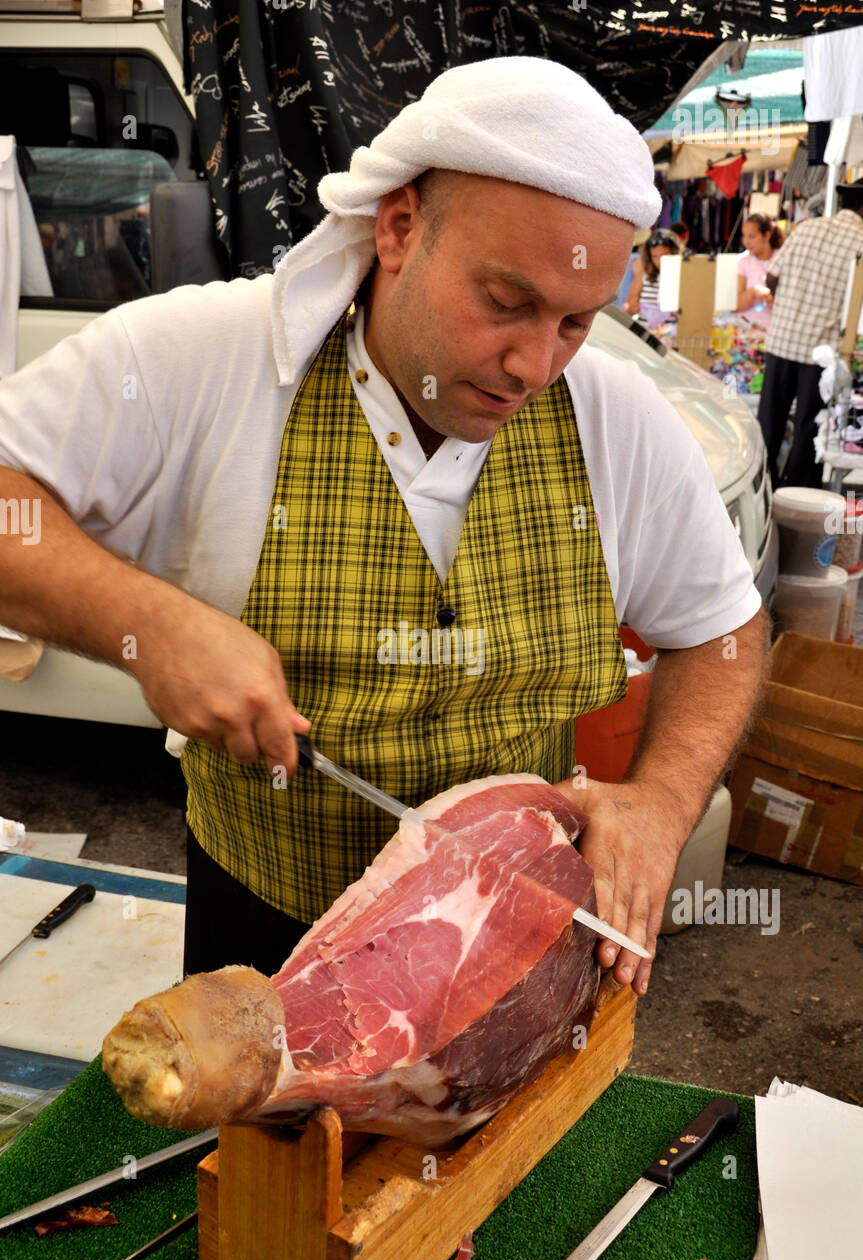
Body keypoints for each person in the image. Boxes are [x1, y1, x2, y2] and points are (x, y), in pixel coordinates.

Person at [0, 56, 766, 999]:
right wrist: (150, 622)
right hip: (264, 935)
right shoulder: (196, 360)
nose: (533, 364)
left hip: (511, 941)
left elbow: (722, 630)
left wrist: (657, 804)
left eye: (573, 322)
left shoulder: (618, 418)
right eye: (505, 302)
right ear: (399, 227)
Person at [758, 179, 863, 489]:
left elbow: (772, 277)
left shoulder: (805, 228)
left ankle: (763, 485)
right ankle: (797, 493)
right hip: (823, 352)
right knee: (810, 425)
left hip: (782, 339)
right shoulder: (861, 242)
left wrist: (791, 307)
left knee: (770, 419)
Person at [622, 227, 682, 329]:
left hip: (669, 334)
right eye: (654, 256)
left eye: (664, 255)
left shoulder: (682, 276)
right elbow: (628, 304)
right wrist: (629, 310)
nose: (659, 261)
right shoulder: (645, 275)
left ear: (674, 252)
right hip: (644, 332)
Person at [736, 212, 783, 330]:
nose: (746, 241)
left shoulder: (782, 258)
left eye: (752, 236)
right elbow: (737, 305)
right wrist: (753, 291)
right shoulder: (742, 262)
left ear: (766, 235)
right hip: (747, 328)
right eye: (744, 236)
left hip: (777, 327)